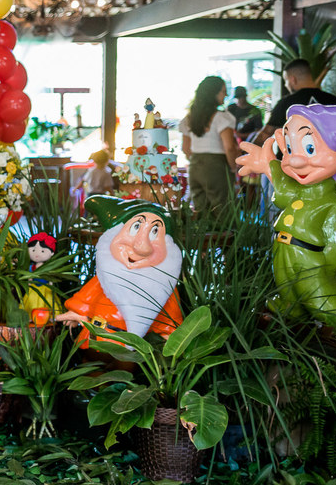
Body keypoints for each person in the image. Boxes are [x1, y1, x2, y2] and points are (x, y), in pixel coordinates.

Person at [237, 103, 336, 325]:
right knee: (287, 291)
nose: (295, 160)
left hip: (310, 259)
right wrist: (269, 163)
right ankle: (291, 311)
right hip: (283, 251)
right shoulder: (298, 190)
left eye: (309, 148)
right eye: (289, 148)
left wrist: (322, 268)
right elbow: (282, 187)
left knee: (321, 300)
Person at [56, 195, 183, 346]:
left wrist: (170, 337)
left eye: (154, 232)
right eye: (136, 227)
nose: (142, 248)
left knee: (124, 366)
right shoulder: (107, 276)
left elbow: (171, 320)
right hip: (96, 336)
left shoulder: (162, 287)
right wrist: (77, 312)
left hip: (131, 347)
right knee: (93, 365)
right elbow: (89, 296)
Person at [179, 76, 239, 213]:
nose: (226, 95)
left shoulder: (188, 119)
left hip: (195, 166)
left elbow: (186, 148)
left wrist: (197, 161)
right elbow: (229, 147)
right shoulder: (222, 117)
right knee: (223, 211)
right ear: (214, 93)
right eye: (223, 91)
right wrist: (233, 168)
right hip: (217, 166)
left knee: (201, 212)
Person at [254, 58, 336, 145]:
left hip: (291, 159)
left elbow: (265, 134)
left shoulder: (285, 103)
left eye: (286, 80)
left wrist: (246, 152)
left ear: (293, 79)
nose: (286, 85)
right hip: (330, 159)